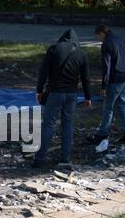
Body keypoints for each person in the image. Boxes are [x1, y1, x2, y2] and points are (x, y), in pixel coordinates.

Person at [34, 28, 92, 168]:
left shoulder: (53, 50)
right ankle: (65, 159)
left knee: (48, 124)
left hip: (55, 93)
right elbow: (86, 78)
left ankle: (40, 159)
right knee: (67, 125)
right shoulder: (81, 53)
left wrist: (39, 90)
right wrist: (88, 97)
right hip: (72, 95)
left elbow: (44, 71)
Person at [87, 24, 125, 145]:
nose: (98, 38)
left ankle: (102, 134)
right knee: (122, 105)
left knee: (108, 107)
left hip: (115, 80)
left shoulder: (106, 44)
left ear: (102, 33)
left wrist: (104, 86)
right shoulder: (120, 39)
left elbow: (106, 67)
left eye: (98, 35)